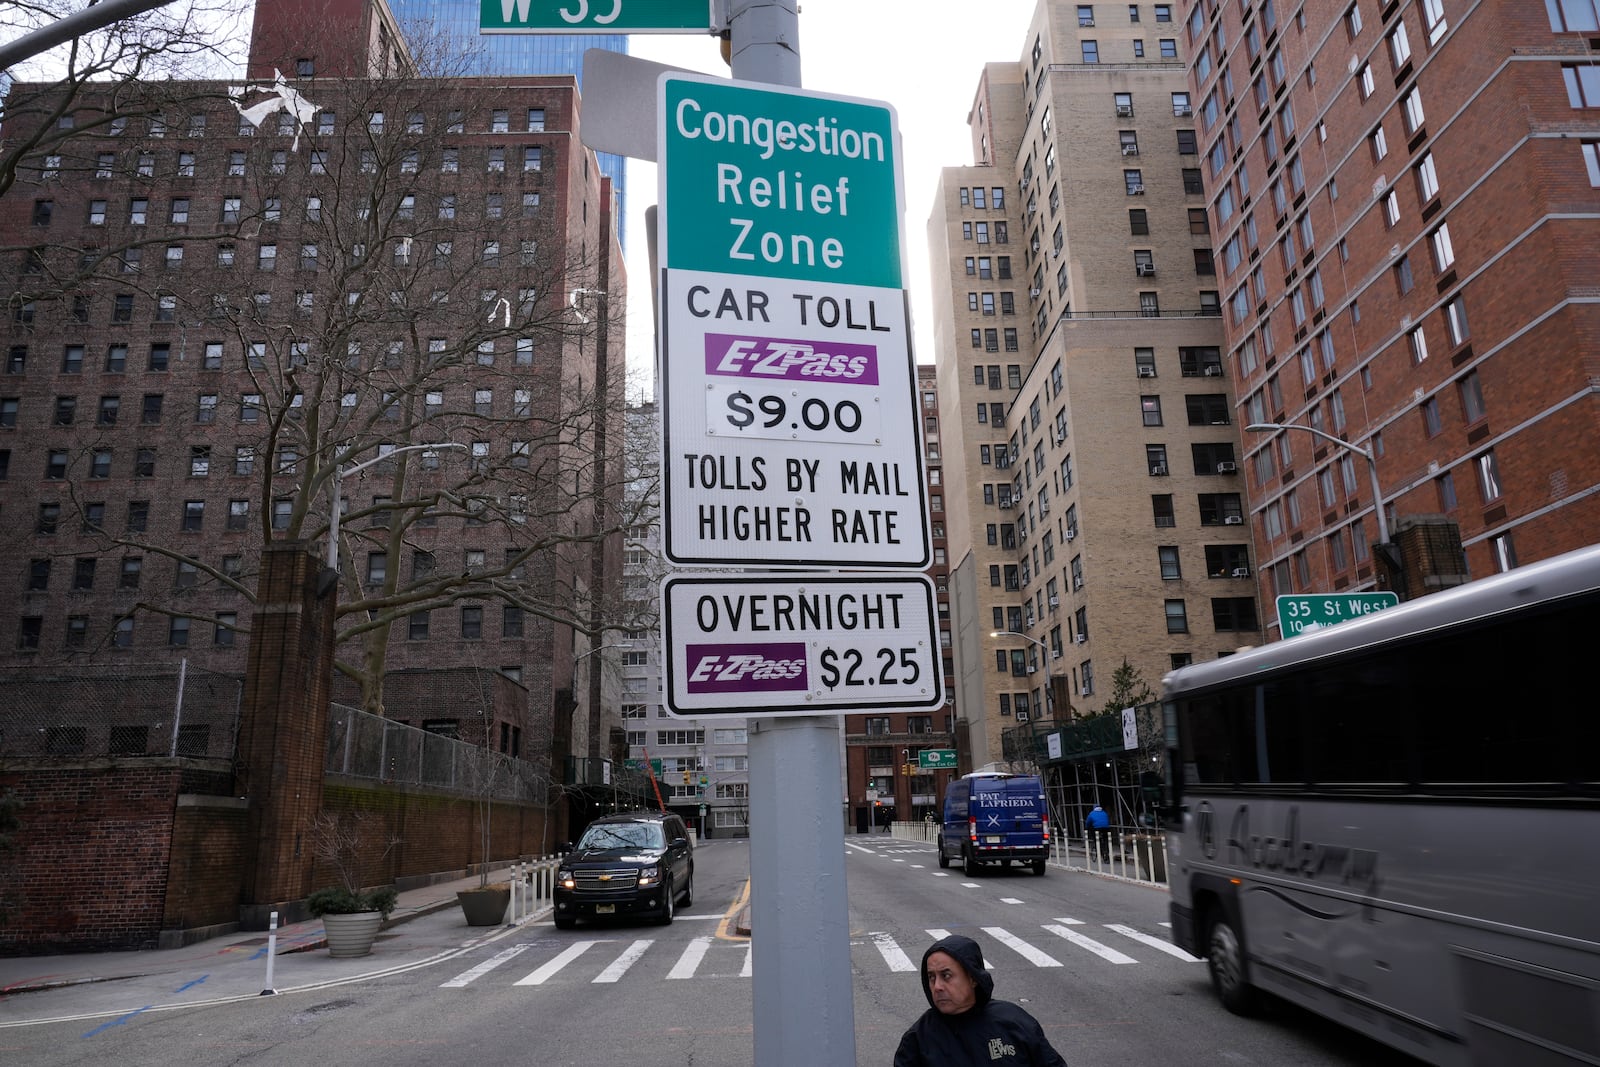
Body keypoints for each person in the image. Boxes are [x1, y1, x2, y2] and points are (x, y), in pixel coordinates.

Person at [894, 934, 1068, 1066]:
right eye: (931, 977)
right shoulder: (918, 1038)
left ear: (973, 978)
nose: (937, 986)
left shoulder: (1015, 1022)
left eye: (946, 976)